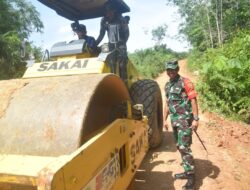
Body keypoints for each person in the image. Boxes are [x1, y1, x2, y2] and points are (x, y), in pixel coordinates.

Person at [163, 60, 199, 190]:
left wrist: (195, 119)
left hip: (185, 121)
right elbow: (167, 103)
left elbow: (193, 100)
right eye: (168, 70)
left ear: (177, 69)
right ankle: (186, 170)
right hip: (175, 121)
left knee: (185, 147)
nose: (170, 72)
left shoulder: (185, 82)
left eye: (173, 69)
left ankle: (191, 179)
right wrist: (164, 120)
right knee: (179, 146)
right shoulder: (167, 85)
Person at [96, 0, 130, 83]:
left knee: (122, 64)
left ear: (114, 11)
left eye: (110, 11)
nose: (108, 13)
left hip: (121, 44)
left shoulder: (121, 19)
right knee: (111, 64)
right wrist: (95, 44)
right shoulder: (104, 20)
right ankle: (114, 83)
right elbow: (101, 34)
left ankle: (124, 83)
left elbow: (127, 33)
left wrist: (122, 44)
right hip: (111, 45)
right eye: (106, 12)